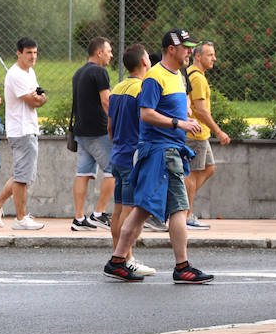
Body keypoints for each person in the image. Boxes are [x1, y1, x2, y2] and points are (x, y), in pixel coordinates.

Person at [103, 29, 213, 284]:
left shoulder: (177, 76)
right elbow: (146, 113)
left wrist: (182, 116)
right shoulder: (154, 77)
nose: (190, 51)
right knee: (179, 208)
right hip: (162, 152)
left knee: (141, 210)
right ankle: (182, 267)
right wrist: (179, 123)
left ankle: (117, 260)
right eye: (186, 47)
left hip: (167, 151)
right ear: (171, 49)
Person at [0, 37, 45, 230]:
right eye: (28, 53)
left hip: (29, 129)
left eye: (35, 53)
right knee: (22, 177)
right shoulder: (16, 74)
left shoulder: (30, 72)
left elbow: (41, 97)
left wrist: (40, 97)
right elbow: (34, 101)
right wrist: (39, 98)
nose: (32, 56)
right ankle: (20, 218)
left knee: (23, 175)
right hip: (22, 130)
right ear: (19, 53)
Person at [105, 44, 156, 277]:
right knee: (130, 211)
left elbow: (110, 125)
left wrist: (117, 145)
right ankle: (126, 259)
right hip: (133, 157)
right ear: (145, 62)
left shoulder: (117, 88)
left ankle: (121, 256)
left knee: (118, 211)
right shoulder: (143, 88)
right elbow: (147, 122)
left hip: (118, 154)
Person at [183, 41, 231, 229]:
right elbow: (201, 111)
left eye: (213, 54)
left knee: (208, 168)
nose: (214, 58)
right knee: (192, 175)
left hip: (200, 134)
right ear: (198, 56)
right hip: (196, 134)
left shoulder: (196, 75)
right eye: (210, 55)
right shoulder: (197, 78)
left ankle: (184, 203)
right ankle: (186, 214)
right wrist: (219, 131)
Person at [70, 37, 115, 231]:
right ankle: (99, 214)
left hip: (81, 132)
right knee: (114, 170)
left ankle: (79, 218)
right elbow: (106, 101)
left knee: (83, 174)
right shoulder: (100, 72)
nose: (111, 55)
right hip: (98, 131)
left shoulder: (78, 73)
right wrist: (117, 121)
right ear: (99, 52)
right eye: (109, 51)